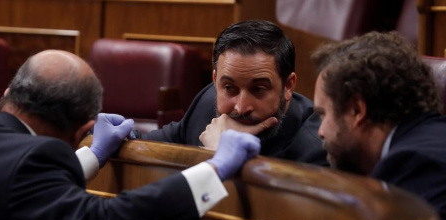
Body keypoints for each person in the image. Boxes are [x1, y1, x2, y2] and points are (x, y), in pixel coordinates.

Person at [0, 50, 261, 220]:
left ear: (8, 95)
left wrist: (92, 155)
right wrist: (214, 168)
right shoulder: (34, 162)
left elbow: (14, 190)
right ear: (82, 131)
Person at [135, 20, 328, 166]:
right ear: (215, 80)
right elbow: (149, 145)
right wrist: (121, 133)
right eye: (229, 88)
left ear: (288, 86)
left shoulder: (317, 146)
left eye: (258, 89)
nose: (241, 107)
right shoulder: (207, 101)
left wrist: (218, 157)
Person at [311, 31, 446, 220]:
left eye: (323, 114)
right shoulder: (431, 135)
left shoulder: (410, 163)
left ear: (357, 110)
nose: (320, 131)